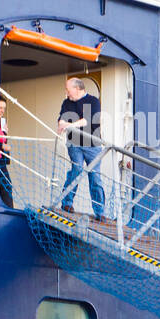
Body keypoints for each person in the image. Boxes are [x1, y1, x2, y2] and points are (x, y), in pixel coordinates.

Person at [56, 77, 106, 220]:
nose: (66, 92)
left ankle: (100, 212)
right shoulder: (66, 102)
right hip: (74, 144)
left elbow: (87, 120)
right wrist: (62, 124)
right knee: (76, 170)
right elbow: (61, 120)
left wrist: (69, 125)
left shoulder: (93, 101)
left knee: (95, 176)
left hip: (92, 144)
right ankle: (67, 203)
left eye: (68, 89)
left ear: (77, 89)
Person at [0, 97, 13, 207]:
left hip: (1, 160)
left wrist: (5, 133)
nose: (2, 110)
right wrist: (2, 146)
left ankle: (9, 211)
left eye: (4, 108)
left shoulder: (2, 122)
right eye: (0, 108)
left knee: (7, 185)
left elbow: (3, 139)